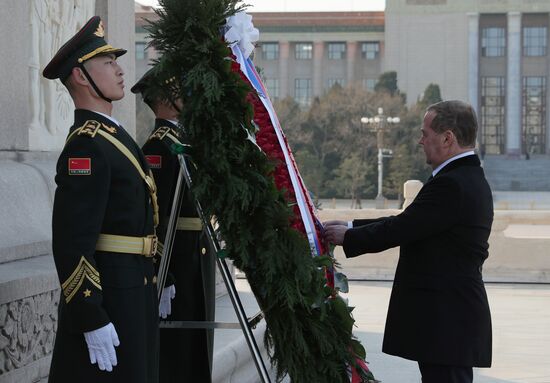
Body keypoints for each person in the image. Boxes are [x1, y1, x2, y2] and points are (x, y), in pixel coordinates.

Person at [324, 100, 493, 383]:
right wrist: (351, 226)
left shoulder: (453, 184)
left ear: (447, 137)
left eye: (425, 133)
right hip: (450, 320)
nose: (420, 141)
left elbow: (404, 227)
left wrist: (350, 236)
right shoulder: (462, 177)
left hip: (447, 320)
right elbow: (412, 220)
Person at [43, 16, 159, 383]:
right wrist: (89, 315)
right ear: (80, 76)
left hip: (134, 286)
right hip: (112, 293)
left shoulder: (111, 136)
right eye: (108, 63)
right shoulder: (87, 145)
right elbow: (72, 240)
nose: (120, 70)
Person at [132, 68, 216, 382]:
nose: (188, 97)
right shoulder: (158, 147)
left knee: (195, 344)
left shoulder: (181, 140)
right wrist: (162, 273)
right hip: (177, 260)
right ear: (167, 99)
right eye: (181, 91)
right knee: (176, 349)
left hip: (194, 254)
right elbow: (156, 215)